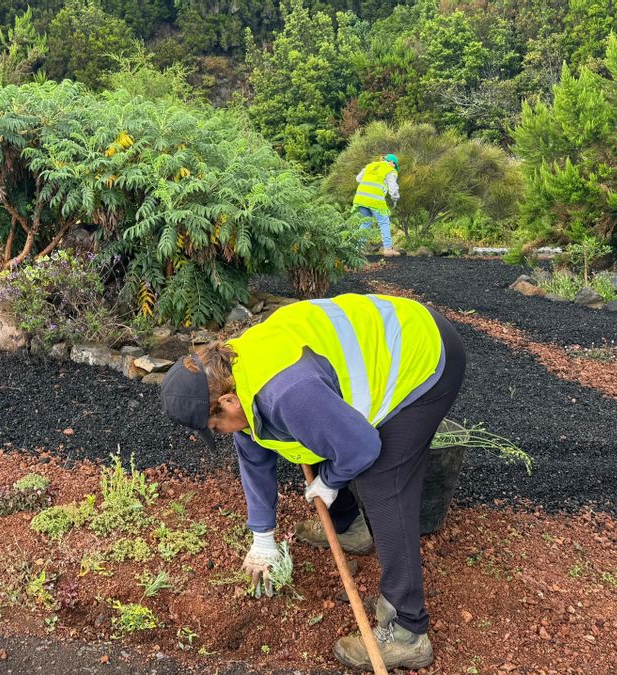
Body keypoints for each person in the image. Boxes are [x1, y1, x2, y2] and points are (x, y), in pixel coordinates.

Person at [160, 292, 465, 671]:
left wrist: (331, 481)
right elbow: (254, 450)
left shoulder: (287, 392)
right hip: (376, 353)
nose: (221, 433)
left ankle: (407, 631)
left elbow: (361, 447)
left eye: (214, 426)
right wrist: (262, 537)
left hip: (422, 356)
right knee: (318, 431)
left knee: (384, 480)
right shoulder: (236, 372)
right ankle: (350, 528)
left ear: (228, 403)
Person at [353, 154, 401, 257]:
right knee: (384, 222)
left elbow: (358, 179)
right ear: (391, 162)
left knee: (366, 222)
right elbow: (393, 189)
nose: (394, 167)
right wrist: (395, 199)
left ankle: (358, 250)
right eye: (395, 165)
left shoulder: (370, 166)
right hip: (375, 200)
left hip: (361, 198)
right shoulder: (390, 170)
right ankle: (388, 249)